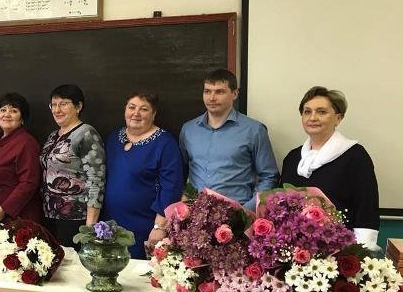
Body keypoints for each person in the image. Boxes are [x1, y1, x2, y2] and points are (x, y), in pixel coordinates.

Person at [280, 86, 380, 250]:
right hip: (296, 249)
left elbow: (366, 207)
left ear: (338, 118)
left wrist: (360, 251)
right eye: (307, 112)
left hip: (340, 249)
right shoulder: (292, 158)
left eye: (321, 112)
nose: (313, 118)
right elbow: (281, 206)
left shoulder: (355, 156)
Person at [179, 69, 278, 209]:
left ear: (235, 94)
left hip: (237, 214)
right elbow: (180, 173)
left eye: (219, 92)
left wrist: (246, 211)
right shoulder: (188, 130)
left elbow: (269, 177)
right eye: (207, 91)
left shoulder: (254, 130)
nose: (212, 98)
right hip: (196, 215)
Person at [103, 91, 184, 259]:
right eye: (131, 107)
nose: (136, 113)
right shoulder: (113, 139)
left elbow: (171, 188)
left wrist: (159, 227)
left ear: (153, 114)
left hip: (145, 227)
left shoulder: (165, 143)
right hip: (110, 224)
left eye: (144, 109)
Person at [40, 84, 106, 247]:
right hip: (50, 214)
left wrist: (90, 226)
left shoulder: (86, 133)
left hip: (75, 217)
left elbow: (96, 180)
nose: (57, 110)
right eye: (53, 105)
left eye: (63, 104)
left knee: (71, 262)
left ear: (78, 106)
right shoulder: (53, 136)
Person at [0, 93, 42, 224]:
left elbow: (29, 182)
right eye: (3, 110)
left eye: (14, 111)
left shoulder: (26, 143)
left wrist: (4, 209)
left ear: (22, 118)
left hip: (14, 219)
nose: (6, 114)